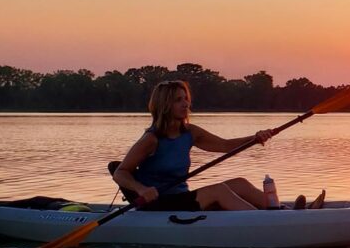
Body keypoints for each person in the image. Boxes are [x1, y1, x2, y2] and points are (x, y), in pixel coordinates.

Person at [112, 80, 276, 211]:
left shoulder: (190, 132)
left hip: (182, 198)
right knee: (218, 191)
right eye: (178, 100)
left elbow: (226, 145)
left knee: (240, 184)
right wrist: (141, 189)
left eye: (186, 99)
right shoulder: (151, 139)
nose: (185, 104)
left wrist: (255, 138)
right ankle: (266, 223)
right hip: (159, 202)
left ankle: (281, 210)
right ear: (164, 106)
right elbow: (120, 172)